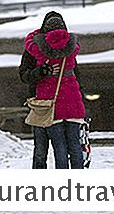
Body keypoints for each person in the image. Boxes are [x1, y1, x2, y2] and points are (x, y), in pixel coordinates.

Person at [19, 11, 85, 169]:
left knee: (50, 148)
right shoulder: (65, 48)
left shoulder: (47, 49)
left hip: (47, 100)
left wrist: (42, 72)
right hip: (54, 104)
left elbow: (24, 75)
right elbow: (24, 75)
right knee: (59, 147)